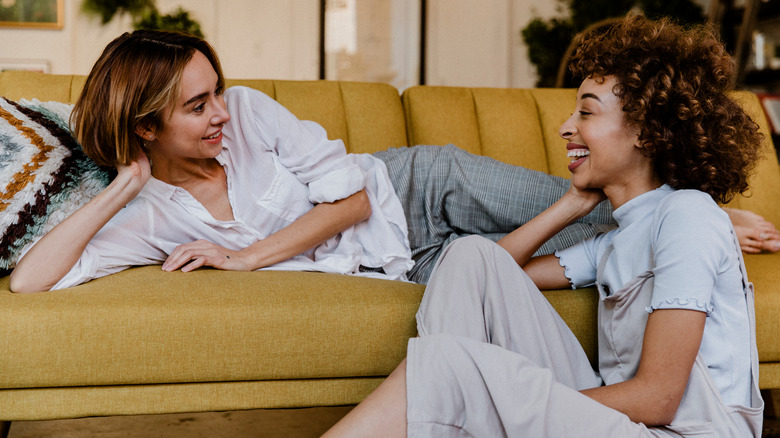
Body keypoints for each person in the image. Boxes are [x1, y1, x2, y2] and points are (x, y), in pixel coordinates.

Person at [8, 28, 778, 293]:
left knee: (613, 212)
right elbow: (31, 281)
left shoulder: (247, 111)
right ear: (143, 129)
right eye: (195, 106)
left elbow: (349, 204)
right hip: (402, 266)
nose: (220, 114)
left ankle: (698, 217)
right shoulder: (148, 210)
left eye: (214, 92)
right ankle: (695, 226)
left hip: (416, 187)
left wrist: (247, 262)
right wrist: (121, 190)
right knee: (597, 250)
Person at [324, 15, 765, 437]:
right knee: (469, 253)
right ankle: (451, 412)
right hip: (627, 425)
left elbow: (659, 398)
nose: (565, 127)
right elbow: (492, 272)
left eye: (587, 114)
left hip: (676, 432)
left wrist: (509, 405)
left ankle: (455, 410)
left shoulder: (688, 216)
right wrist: (572, 203)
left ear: (646, 132)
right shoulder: (615, 240)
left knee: (448, 366)